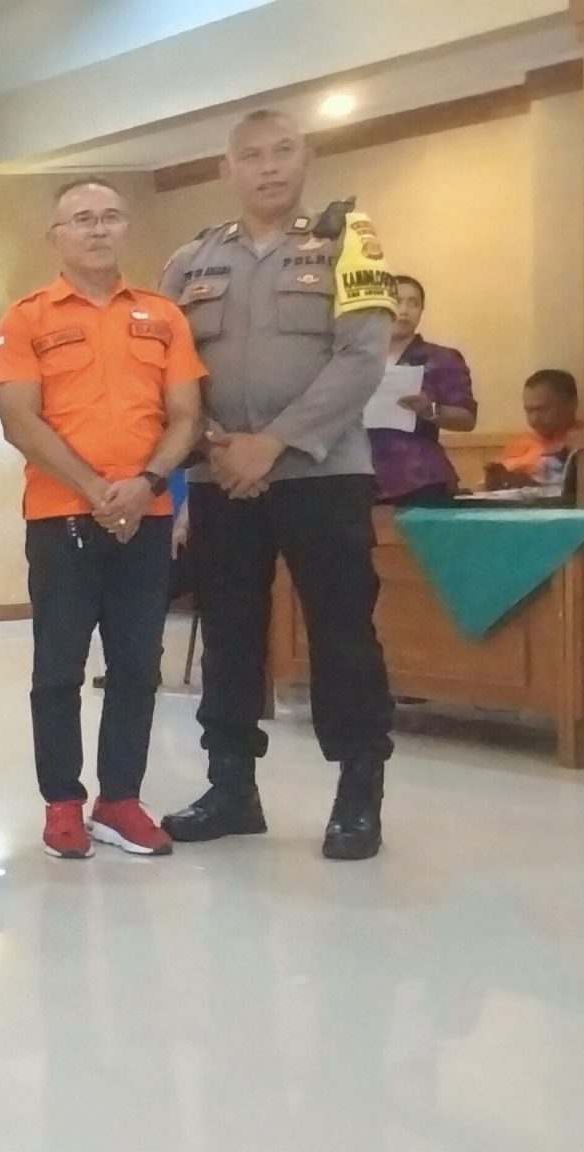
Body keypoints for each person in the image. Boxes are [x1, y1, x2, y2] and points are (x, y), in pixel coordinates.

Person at [158, 110, 397, 861]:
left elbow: (362, 358)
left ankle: (357, 791)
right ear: (226, 170)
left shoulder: (348, 245)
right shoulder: (190, 262)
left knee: (342, 630)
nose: (268, 167)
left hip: (323, 471)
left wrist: (275, 443)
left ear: (306, 158)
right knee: (229, 632)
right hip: (221, 472)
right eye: (252, 155)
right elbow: (165, 371)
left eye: (282, 152)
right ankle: (231, 786)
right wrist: (215, 445)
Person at [0, 180, 205, 861]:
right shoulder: (26, 318)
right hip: (62, 518)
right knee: (58, 667)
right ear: (55, 236)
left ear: (126, 229)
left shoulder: (163, 316)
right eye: (81, 219)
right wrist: (93, 488)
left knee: (138, 665)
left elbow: (187, 415)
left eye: (110, 216)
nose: (98, 229)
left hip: (147, 516)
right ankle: (62, 804)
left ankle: (120, 801)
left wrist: (145, 485)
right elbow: (19, 419)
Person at [370, 275, 477, 505]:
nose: (404, 311)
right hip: (361, 473)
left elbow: (467, 418)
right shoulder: (357, 357)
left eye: (414, 303)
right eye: (397, 301)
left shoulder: (441, 358)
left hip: (419, 475)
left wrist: (431, 410)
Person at [485, 369, 581, 493]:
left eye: (542, 409)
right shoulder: (520, 445)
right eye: (529, 411)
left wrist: (531, 484)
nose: (534, 419)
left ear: (572, 404)